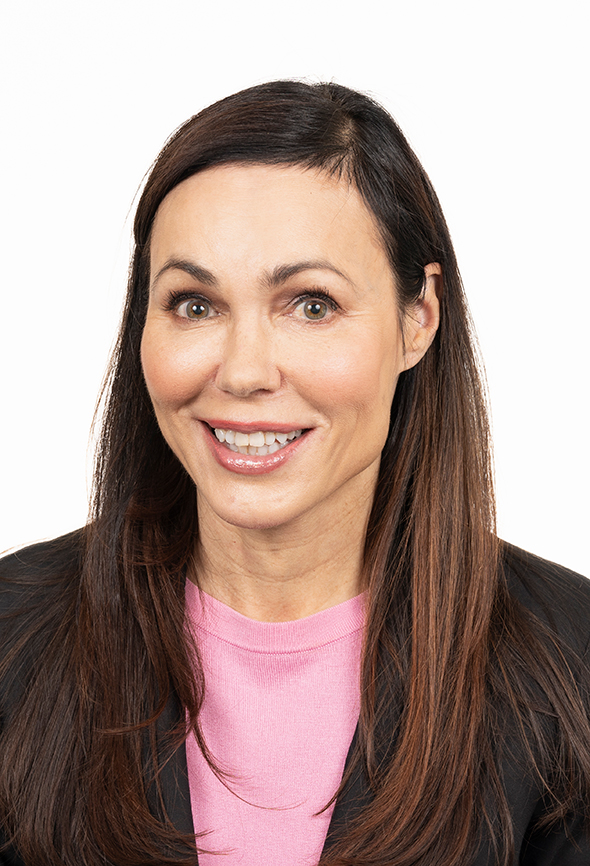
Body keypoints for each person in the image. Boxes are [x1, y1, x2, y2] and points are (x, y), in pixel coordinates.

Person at [1, 80, 589, 866]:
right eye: (194, 305)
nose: (244, 372)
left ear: (419, 317)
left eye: (311, 305)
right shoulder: (12, 637)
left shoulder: (572, 662)